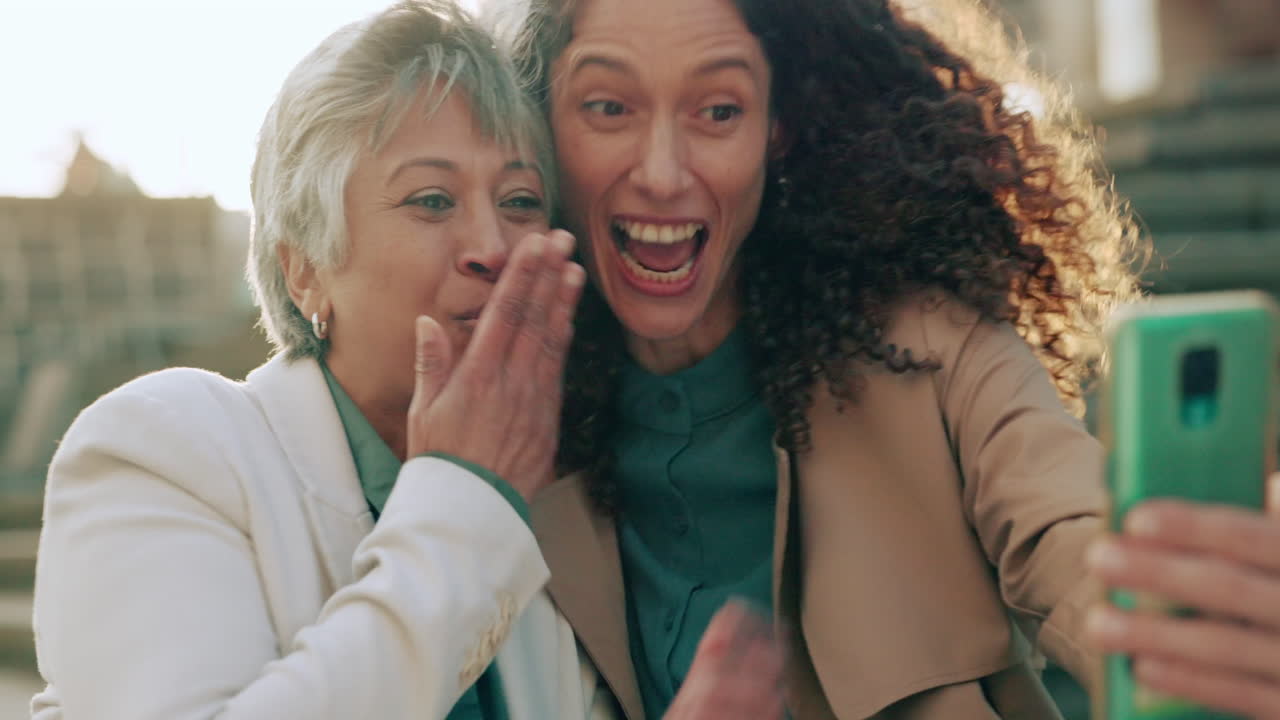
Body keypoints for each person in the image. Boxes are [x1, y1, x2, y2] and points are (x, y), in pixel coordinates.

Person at [500, 0, 1280, 717]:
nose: (663, 173)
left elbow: (1070, 534)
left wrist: (1186, 603)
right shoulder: (509, 431)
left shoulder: (934, 346)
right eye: (608, 107)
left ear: (779, 129)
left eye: (719, 110)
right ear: (543, 126)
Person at [28, 3, 784, 719]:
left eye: (521, 201)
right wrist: (467, 496)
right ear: (304, 269)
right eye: (431, 201)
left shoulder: (553, 525)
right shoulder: (163, 449)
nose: (493, 247)